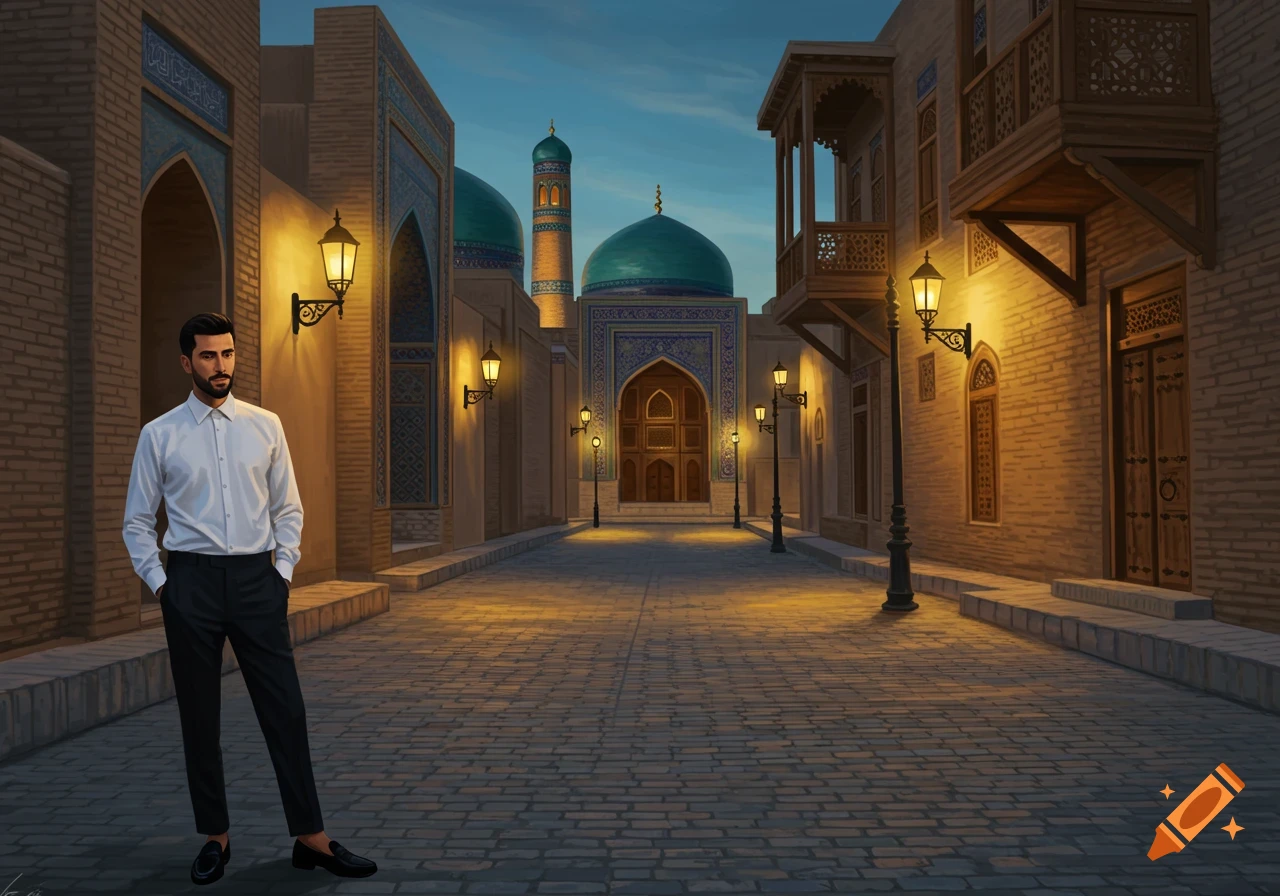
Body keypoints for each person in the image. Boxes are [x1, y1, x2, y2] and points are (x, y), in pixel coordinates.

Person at [122, 312, 376, 885]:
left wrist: (281, 573)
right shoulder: (159, 434)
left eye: (228, 354)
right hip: (190, 583)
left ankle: (311, 837)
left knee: (286, 709)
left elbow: (288, 508)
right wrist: (163, 587)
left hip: (257, 582)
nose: (221, 366)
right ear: (186, 362)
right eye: (208, 356)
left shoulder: (265, 425)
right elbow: (137, 521)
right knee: (199, 715)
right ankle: (216, 836)